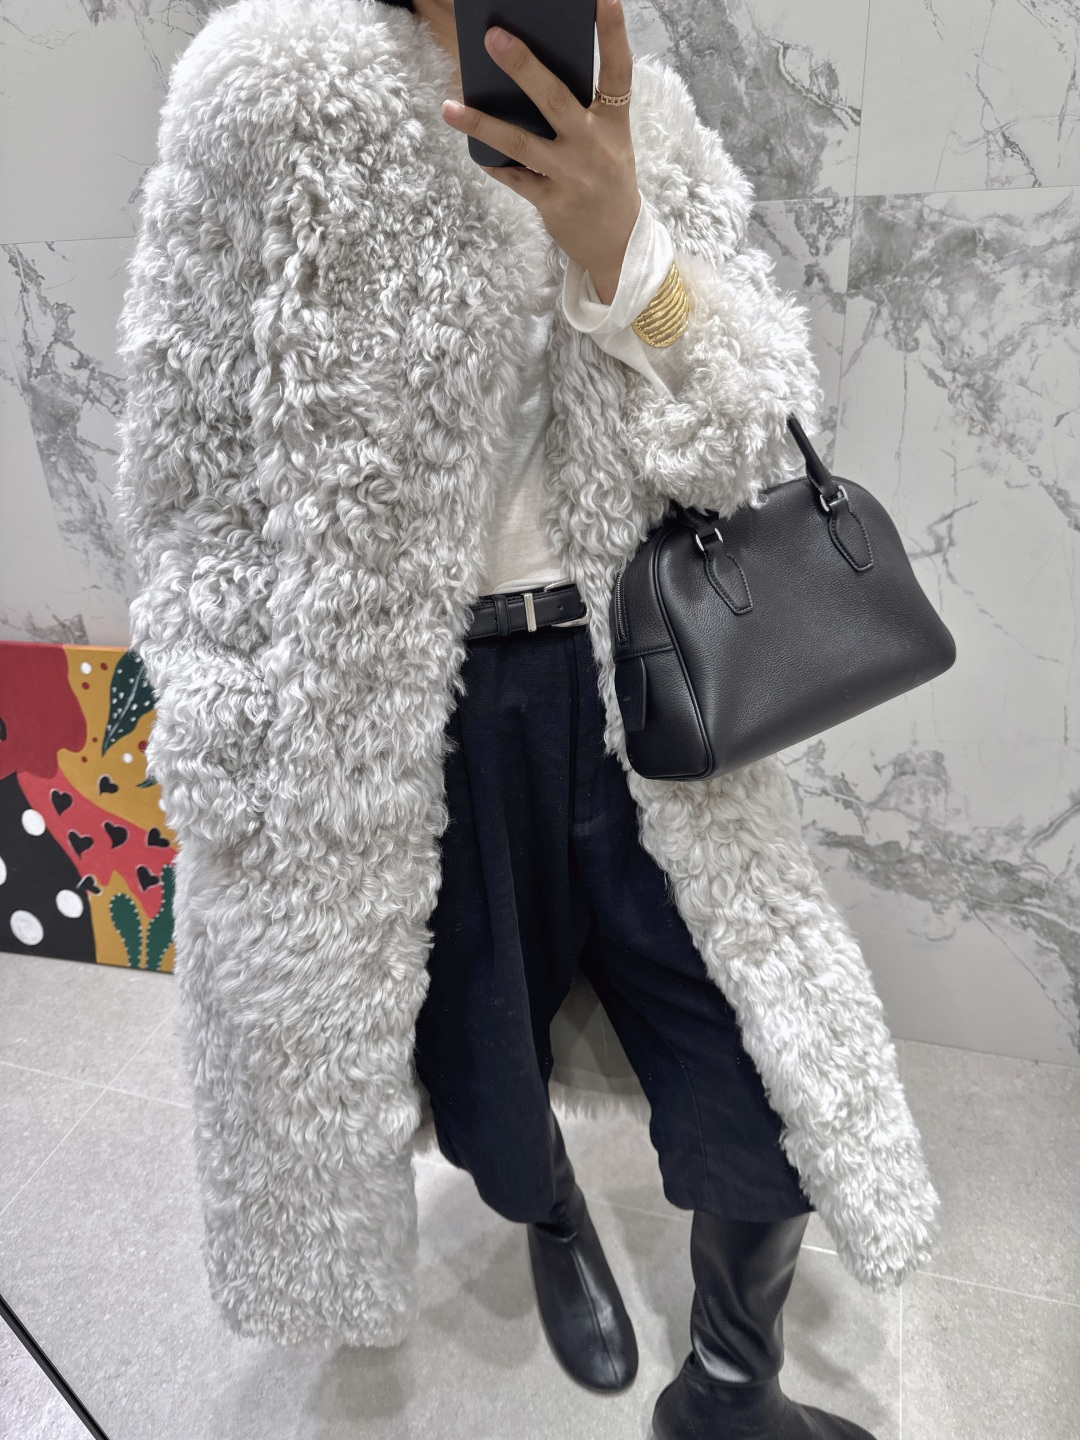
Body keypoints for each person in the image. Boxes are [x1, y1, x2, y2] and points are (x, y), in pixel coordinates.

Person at [113, 0, 938, 1436]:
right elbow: (188, 471)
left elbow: (748, 428)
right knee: (484, 1060)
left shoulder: (637, 103)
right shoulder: (265, 87)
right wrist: (240, 755)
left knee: (769, 1079)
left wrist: (628, 252)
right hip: (404, 722)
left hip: (641, 691)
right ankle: (550, 1213)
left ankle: (730, 1390)